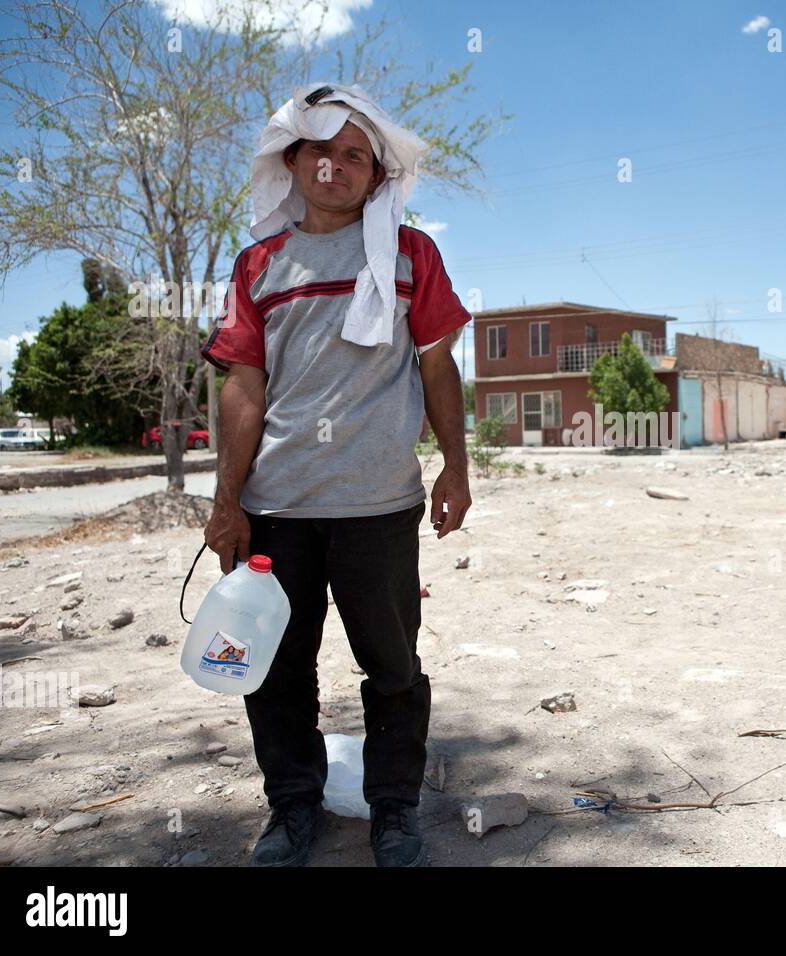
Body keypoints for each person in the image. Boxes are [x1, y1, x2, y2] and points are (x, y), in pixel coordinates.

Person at [201, 83, 472, 867]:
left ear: (375, 176)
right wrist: (227, 502)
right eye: (321, 147)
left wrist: (455, 465)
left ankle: (394, 811)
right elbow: (243, 385)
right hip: (276, 509)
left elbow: (436, 365)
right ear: (292, 160)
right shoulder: (259, 263)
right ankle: (291, 810)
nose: (337, 164)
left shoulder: (411, 255)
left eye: (356, 153)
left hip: (380, 505)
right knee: (277, 671)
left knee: (392, 668)